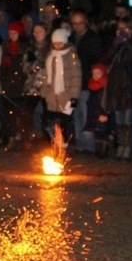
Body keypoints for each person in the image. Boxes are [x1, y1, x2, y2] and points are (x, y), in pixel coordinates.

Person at [102, 17, 132, 160]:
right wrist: (115, 45)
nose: (123, 32)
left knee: (128, 120)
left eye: (126, 29)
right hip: (116, 87)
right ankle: (121, 145)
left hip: (128, 86)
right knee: (119, 120)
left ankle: (127, 147)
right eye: (120, 29)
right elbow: (106, 58)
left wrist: (127, 42)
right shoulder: (116, 44)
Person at [41, 27, 82, 161]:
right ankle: (56, 146)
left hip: (66, 96)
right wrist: (45, 93)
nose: (58, 45)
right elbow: (47, 77)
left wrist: (74, 96)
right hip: (53, 97)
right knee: (51, 123)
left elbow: (76, 76)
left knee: (66, 123)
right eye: (55, 42)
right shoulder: (50, 57)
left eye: (60, 42)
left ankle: (68, 147)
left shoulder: (71, 56)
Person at [69, 11, 105, 153]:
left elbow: (96, 60)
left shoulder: (92, 38)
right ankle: (79, 142)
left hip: (86, 82)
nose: (78, 26)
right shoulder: (71, 38)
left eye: (80, 23)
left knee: (86, 113)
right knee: (76, 113)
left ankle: (88, 145)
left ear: (86, 22)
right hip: (74, 83)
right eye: (75, 23)